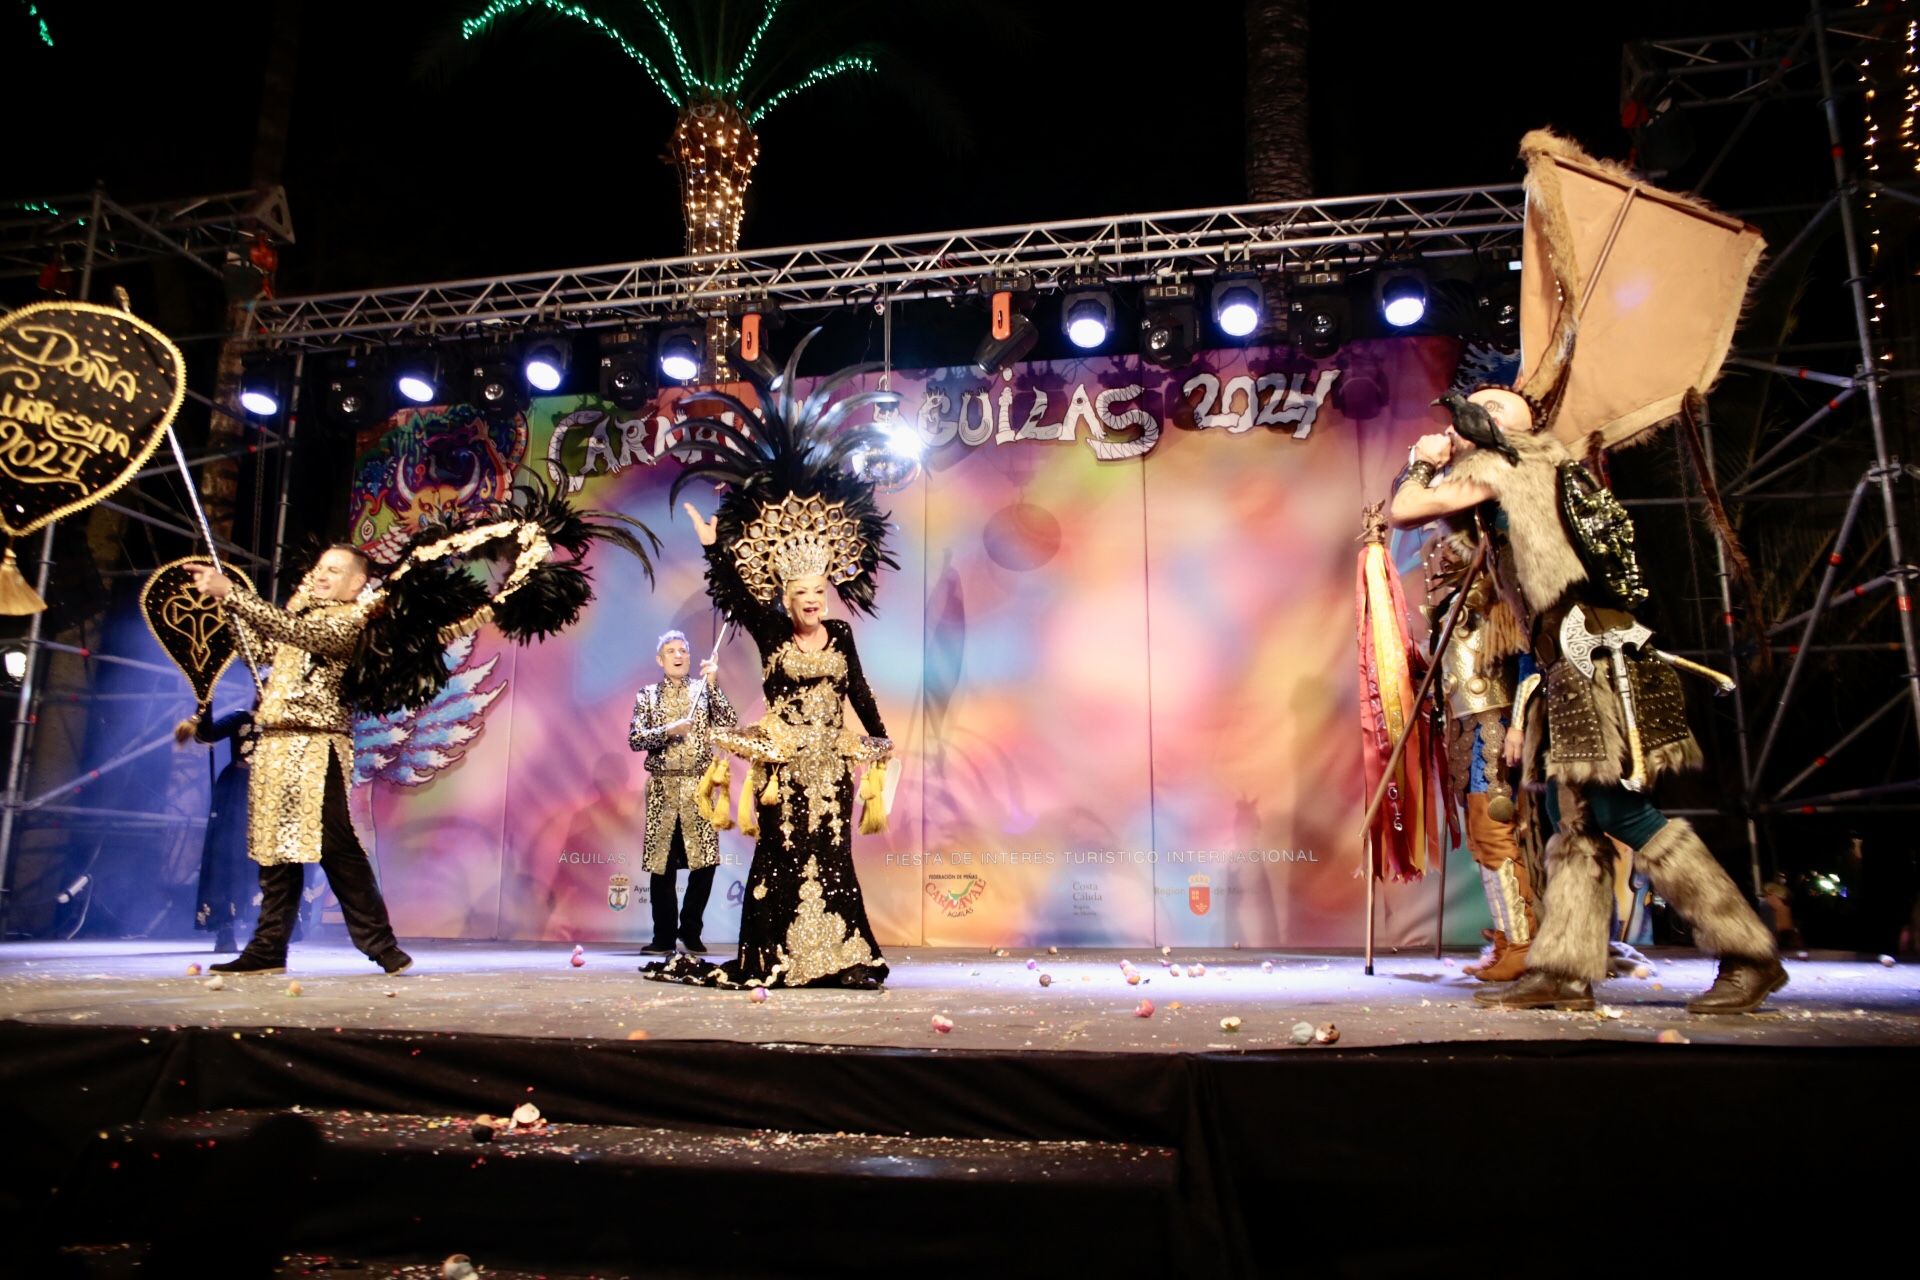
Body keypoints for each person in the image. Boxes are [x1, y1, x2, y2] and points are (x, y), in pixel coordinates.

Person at [1390, 386, 1784, 1014]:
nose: (1458, 427)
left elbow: (1406, 508)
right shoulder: (1529, 470)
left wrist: (1422, 458)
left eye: (1477, 414)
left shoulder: (1508, 463)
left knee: (1622, 813)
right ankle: (1566, 971)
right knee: (1573, 819)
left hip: (1592, 659)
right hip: (1569, 660)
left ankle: (1748, 953)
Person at [644, 500, 892, 989]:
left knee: (834, 858)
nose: (813, 599)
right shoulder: (772, 630)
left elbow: (858, 688)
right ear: (786, 596)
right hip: (785, 769)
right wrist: (714, 548)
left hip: (833, 767)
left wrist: (881, 736)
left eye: (819, 591)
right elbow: (735, 595)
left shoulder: (840, 634)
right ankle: (776, 956)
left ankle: (842, 958)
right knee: (782, 856)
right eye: (802, 592)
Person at [191, 547, 412, 977]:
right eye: (319, 568)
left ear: (356, 584)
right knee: (274, 851)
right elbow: (259, 649)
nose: (321, 575)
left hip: (317, 746)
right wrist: (228, 608)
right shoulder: (302, 618)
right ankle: (268, 948)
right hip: (273, 744)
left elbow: (301, 635)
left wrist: (236, 595)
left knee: (334, 845)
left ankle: (382, 947)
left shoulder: (351, 620)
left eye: (334, 570)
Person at [1423, 529, 1541, 982]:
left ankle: (1524, 943)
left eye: (1449, 551)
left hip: (1494, 724)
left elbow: (1530, 658)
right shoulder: (1449, 609)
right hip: (1464, 727)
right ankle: (1507, 939)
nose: (1439, 560)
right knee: (1479, 838)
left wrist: (1518, 723)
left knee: (1495, 831)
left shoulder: (1501, 601)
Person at [629, 628, 736, 955]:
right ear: (660, 659)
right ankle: (663, 936)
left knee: (705, 863)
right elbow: (636, 739)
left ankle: (691, 930)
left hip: (699, 788)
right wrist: (667, 730)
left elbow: (729, 722)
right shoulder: (647, 695)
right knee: (662, 865)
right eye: (671, 651)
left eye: (683, 651)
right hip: (663, 787)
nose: (678, 656)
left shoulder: (703, 691)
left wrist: (715, 683)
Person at [175, 707, 258, 954]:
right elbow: (207, 735)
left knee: (268, 861)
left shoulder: (286, 721)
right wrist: (204, 707)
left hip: (271, 793)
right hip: (238, 792)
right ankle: (225, 928)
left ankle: (270, 931)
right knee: (227, 856)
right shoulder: (243, 717)